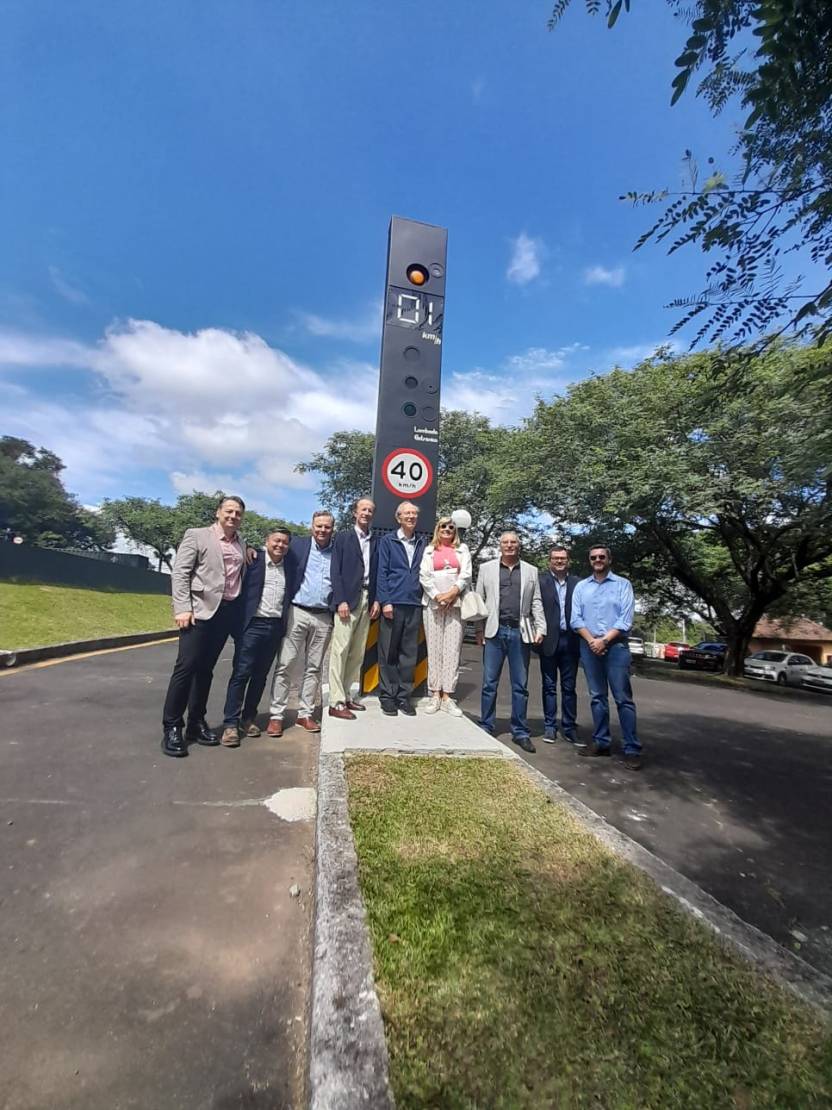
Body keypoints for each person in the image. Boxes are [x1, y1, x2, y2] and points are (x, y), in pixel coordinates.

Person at [161, 495, 247, 758]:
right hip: (198, 612)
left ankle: (196, 722)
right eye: (229, 511)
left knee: (206, 670)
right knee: (186, 667)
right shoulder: (197, 536)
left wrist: (252, 551)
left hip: (226, 613)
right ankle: (172, 726)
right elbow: (181, 572)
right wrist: (182, 608)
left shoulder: (241, 543)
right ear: (218, 512)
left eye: (238, 513)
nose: (233, 516)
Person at [570, 544, 642, 770]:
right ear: (589, 561)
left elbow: (625, 620)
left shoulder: (623, 585)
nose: (598, 560)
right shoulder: (582, 587)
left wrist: (604, 640)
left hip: (616, 647)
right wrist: (593, 641)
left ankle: (632, 749)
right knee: (597, 697)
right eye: (594, 557)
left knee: (623, 699)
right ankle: (601, 742)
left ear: (609, 559)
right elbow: (575, 619)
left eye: (602, 556)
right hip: (589, 647)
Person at [219, 527, 292, 746]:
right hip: (252, 626)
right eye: (276, 540)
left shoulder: (289, 566)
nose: (280, 545)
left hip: (275, 627)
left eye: (284, 542)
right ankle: (230, 724)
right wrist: (248, 548)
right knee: (241, 673)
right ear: (267, 541)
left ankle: (248, 718)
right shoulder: (253, 560)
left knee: (260, 676)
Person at [475, 531, 546, 753]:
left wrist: (541, 628)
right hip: (494, 631)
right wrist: (478, 629)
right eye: (505, 542)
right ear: (500, 545)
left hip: (520, 632)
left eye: (513, 542)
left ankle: (520, 731)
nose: (509, 545)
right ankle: (486, 726)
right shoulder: (486, 569)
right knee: (489, 684)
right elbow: (478, 600)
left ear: (518, 545)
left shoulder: (531, 571)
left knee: (520, 685)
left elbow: (536, 601)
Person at [267, 511, 335, 736]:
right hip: (298, 611)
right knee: (285, 663)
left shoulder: (337, 551)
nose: (322, 530)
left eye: (327, 527)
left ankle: (305, 714)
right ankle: (276, 715)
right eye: (319, 526)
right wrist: (251, 551)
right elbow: (274, 549)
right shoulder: (297, 545)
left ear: (332, 529)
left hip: (324, 616)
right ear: (311, 527)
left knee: (314, 668)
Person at [328, 498, 380, 720]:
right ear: (355, 513)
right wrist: (340, 600)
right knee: (340, 650)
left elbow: (377, 573)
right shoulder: (343, 537)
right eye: (363, 509)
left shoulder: (375, 541)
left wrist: (376, 600)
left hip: (368, 598)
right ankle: (336, 701)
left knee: (357, 652)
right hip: (347, 600)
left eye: (370, 510)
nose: (366, 513)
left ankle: (347, 695)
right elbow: (335, 570)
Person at [375, 501, 426, 716]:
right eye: (407, 513)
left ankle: (404, 697)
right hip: (393, 604)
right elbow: (381, 572)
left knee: (409, 654)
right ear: (398, 517)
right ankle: (387, 697)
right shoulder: (388, 541)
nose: (411, 517)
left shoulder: (423, 543)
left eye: (414, 513)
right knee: (388, 652)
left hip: (414, 604)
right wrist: (385, 601)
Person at [418, 516, 472, 716]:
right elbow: (424, 575)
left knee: (452, 650)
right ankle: (434, 694)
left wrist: (452, 594)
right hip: (433, 605)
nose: (447, 529)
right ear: (437, 529)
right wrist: (437, 596)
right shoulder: (429, 550)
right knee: (434, 650)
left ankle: (447, 696)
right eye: (443, 526)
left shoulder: (462, 549)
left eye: (451, 527)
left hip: (455, 605)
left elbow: (466, 574)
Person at [537, 545, 581, 744]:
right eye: (555, 558)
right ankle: (550, 726)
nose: (559, 561)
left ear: (568, 560)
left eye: (562, 558)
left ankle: (570, 727)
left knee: (569, 687)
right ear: (550, 561)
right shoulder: (541, 581)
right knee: (549, 686)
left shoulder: (578, 583)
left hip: (571, 640)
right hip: (549, 640)